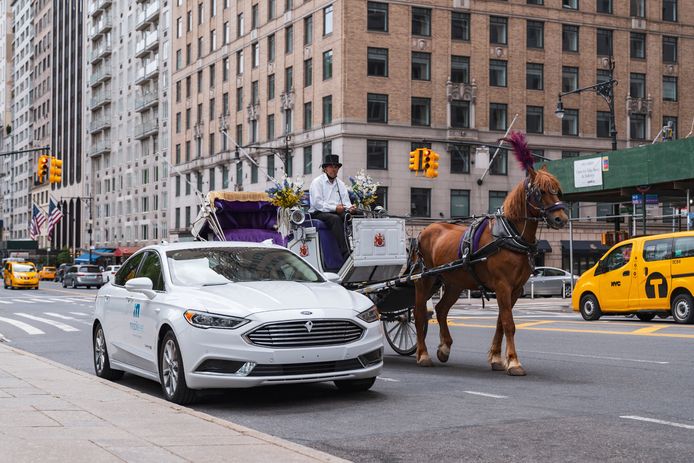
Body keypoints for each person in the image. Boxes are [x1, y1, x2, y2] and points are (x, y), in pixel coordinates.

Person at [308, 154, 356, 258]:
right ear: (325, 169)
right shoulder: (317, 182)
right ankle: (346, 252)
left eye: (336, 167)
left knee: (353, 216)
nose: (334, 170)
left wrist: (350, 208)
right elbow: (318, 204)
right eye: (331, 167)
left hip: (336, 211)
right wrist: (335, 208)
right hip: (318, 213)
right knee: (335, 219)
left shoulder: (341, 184)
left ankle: (358, 247)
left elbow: (346, 202)